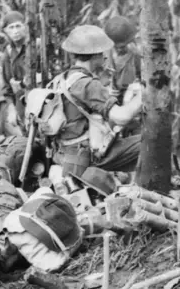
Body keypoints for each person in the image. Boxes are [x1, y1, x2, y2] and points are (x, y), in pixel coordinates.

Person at [35, 25, 142, 176]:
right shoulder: (88, 85)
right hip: (87, 156)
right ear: (95, 55)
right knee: (149, 141)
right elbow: (121, 117)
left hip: (63, 154)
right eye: (102, 52)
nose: (105, 56)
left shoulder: (61, 79)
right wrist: (144, 94)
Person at [102, 16, 143, 135]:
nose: (120, 50)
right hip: (109, 108)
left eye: (123, 46)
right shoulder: (103, 57)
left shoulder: (136, 54)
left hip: (131, 107)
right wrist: (107, 90)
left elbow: (144, 80)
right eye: (117, 47)